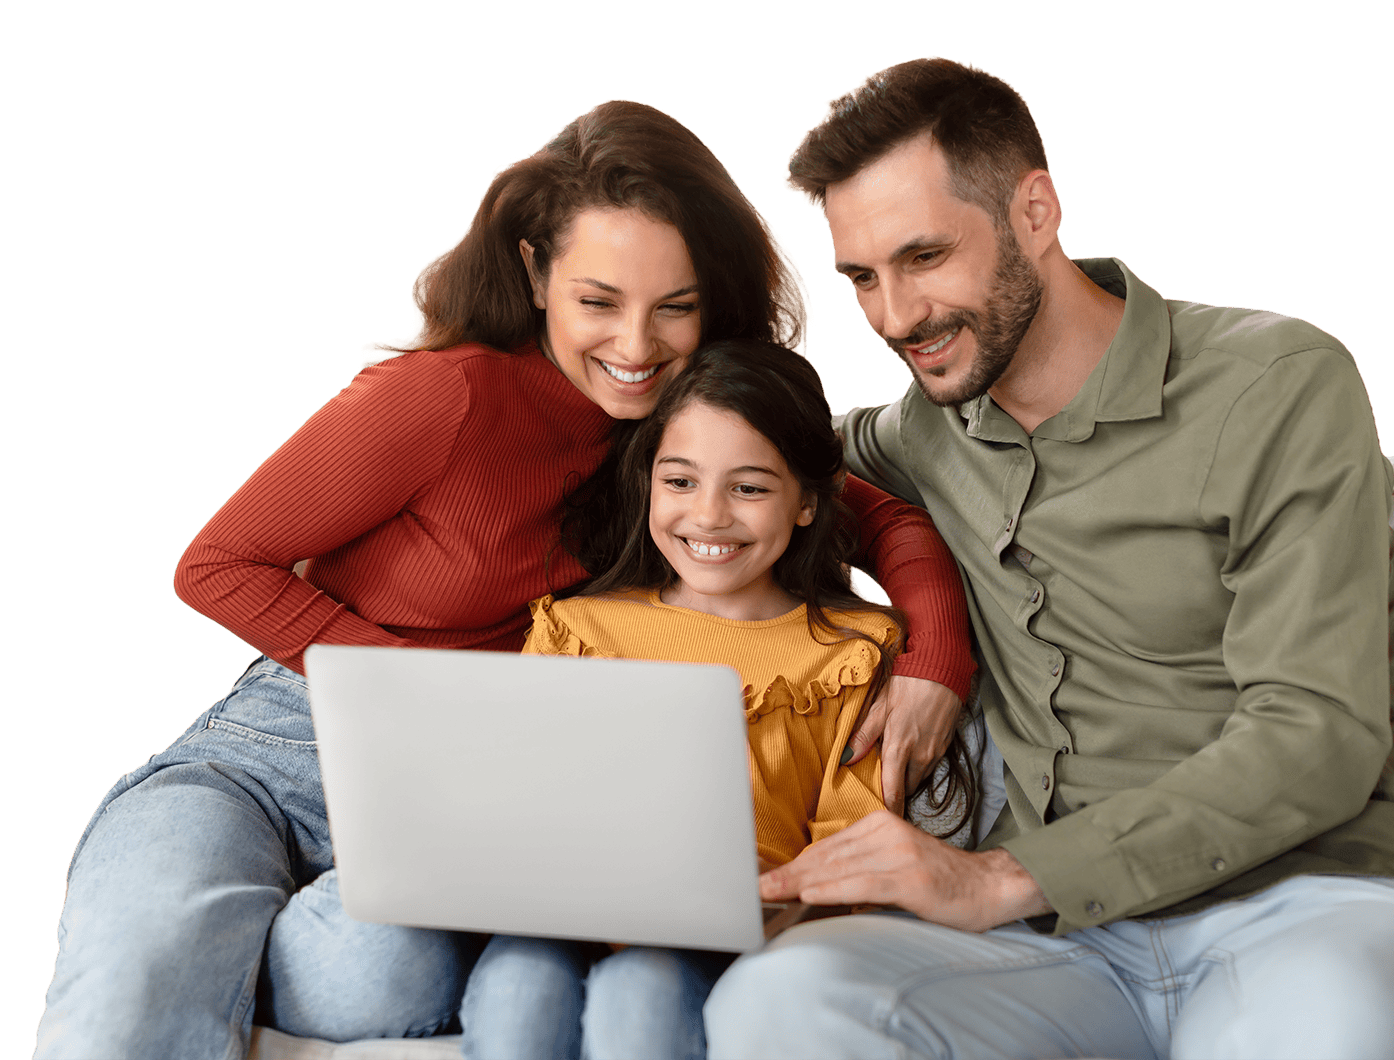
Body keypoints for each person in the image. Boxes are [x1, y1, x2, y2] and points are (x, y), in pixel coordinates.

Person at [34, 100, 976, 1060]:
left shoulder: (683, 432)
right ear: (534, 273)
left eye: (676, 306)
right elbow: (218, 565)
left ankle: (235, 947)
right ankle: (187, 923)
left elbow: (882, 517)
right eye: (598, 301)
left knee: (384, 975)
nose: (638, 346)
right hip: (275, 751)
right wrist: (420, 700)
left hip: (473, 789)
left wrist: (935, 660)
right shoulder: (444, 396)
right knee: (142, 977)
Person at [703, 57, 1394, 1060]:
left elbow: (1317, 734)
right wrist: (936, 649)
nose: (897, 316)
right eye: (864, 276)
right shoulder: (924, 435)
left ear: (1035, 210)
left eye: (925, 256)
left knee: (1337, 1030)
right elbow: (746, 468)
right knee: (776, 1002)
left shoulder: (1279, 383)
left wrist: (997, 879)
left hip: (1315, 909)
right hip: (1061, 952)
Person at [460, 339, 981, 1059]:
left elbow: (851, 842)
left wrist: (781, 910)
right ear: (648, 483)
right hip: (562, 915)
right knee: (520, 981)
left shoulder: (849, 654)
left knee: (639, 988)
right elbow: (511, 797)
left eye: (750, 488)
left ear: (806, 504)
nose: (707, 517)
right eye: (680, 481)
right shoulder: (577, 627)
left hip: (722, 931)